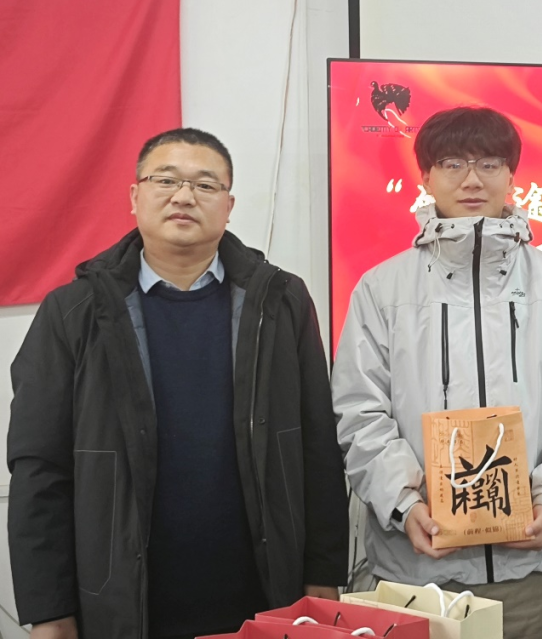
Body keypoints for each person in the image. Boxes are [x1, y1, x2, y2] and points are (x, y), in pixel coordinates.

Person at [7, 128, 350, 639]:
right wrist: (49, 610)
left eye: (205, 185)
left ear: (229, 206)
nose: (184, 196)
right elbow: (40, 465)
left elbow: (317, 446)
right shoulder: (74, 311)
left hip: (263, 593)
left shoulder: (280, 301)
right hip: (121, 602)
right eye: (165, 180)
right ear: (135, 196)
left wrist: (324, 575)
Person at [332, 106, 542, 639]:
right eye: (452, 163)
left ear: (511, 175)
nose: (471, 179)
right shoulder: (381, 289)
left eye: (488, 163)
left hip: (530, 568)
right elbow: (359, 410)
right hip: (417, 571)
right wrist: (404, 505)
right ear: (425, 176)